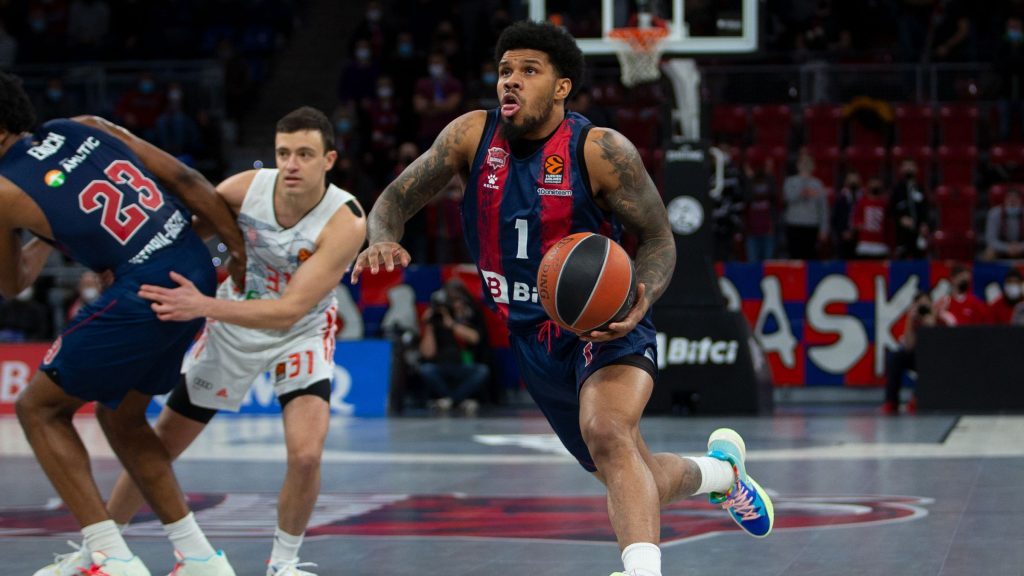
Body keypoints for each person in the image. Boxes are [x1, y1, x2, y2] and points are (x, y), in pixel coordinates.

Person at [351, 21, 773, 576]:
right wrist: (383, 236)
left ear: (561, 86)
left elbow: (659, 238)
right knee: (632, 471)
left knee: (608, 432)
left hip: (603, 324)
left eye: (529, 71)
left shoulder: (599, 150)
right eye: (505, 71)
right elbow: (395, 199)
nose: (512, 82)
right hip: (532, 338)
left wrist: (641, 301)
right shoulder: (469, 137)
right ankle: (724, 475)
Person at [102, 106, 367, 576]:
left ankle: (283, 565)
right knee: (161, 447)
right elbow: (180, 238)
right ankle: (102, 549)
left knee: (306, 454)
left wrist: (200, 305)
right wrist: (128, 267)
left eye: (304, 154)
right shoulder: (243, 189)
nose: (291, 164)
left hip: (298, 331)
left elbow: (288, 309)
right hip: (232, 327)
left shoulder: (344, 220)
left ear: (329, 160)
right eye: (283, 153)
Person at [0, 71, 245, 575]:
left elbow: (12, 282)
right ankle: (199, 558)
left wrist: (44, 232)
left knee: (38, 409)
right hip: (193, 269)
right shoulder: (82, 125)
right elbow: (186, 181)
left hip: (145, 291)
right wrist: (235, 247)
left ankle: (110, 558)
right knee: (122, 418)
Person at [418, 278, 490, 417]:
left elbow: (475, 338)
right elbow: (427, 353)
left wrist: (451, 324)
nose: (455, 304)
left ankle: (450, 400)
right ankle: (458, 400)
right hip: (440, 365)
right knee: (426, 370)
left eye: (457, 300)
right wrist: (429, 325)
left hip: (463, 365)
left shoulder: (467, 315)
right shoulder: (436, 319)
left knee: (482, 371)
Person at [882, 291, 951, 415]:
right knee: (897, 357)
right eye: (920, 305)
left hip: (936, 359)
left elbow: (941, 347)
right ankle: (891, 401)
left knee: (929, 362)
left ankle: (917, 398)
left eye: (926, 305)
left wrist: (932, 326)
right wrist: (910, 320)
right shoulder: (913, 320)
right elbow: (908, 346)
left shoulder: (941, 319)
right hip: (917, 356)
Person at [782, 152, 828, 259]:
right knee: (794, 257)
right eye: (803, 162)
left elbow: (823, 209)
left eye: (808, 162)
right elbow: (787, 198)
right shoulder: (790, 181)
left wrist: (824, 229)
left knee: (810, 257)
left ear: (813, 165)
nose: (805, 164)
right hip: (794, 224)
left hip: (811, 226)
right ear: (798, 164)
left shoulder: (818, 184)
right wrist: (802, 193)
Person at [889, 159, 931, 259]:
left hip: (919, 233)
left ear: (916, 169)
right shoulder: (897, 189)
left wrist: (925, 224)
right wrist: (900, 219)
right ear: (901, 169)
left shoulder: (921, 188)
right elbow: (890, 210)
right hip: (902, 234)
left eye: (911, 166)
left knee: (920, 259)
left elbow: (926, 209)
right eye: (906, 166)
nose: (909, 168)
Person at [852, 178, 890, 259]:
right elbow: (856, 218)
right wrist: (858, 225)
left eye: (877, 183)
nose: (875, 186)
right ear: (868, 185)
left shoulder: (884, 203)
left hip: (880, 245)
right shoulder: (862, 202)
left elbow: (888, 223)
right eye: (873, 183)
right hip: (865, 243)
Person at [983, 187, 1024, 260]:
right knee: (989, 253)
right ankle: (991, 271)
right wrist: (1007, 248)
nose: (1012, 201)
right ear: (1004, 200)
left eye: (1015, 199)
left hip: (1021, 246)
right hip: (1002, 247)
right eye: (1010, 198)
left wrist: (1020, 247)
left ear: (1021, 200)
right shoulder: (994, 213)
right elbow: (991, 239)